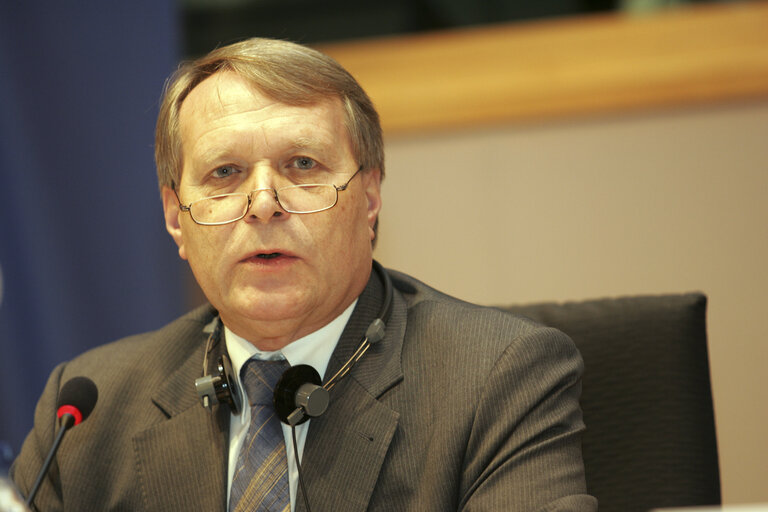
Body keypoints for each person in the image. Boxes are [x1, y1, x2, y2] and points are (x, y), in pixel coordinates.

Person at [11, 38, 597, 511]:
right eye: (224, 173)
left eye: (302, 165)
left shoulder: (499, 380)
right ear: (175, 218)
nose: (263, 202)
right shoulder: (87, 412)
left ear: (369, 198)